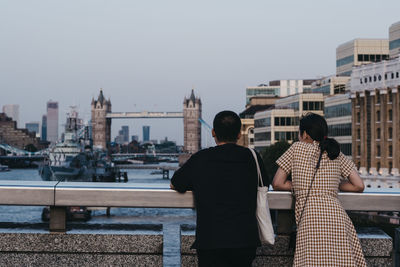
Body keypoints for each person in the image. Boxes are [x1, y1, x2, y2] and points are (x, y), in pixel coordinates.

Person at [170, 110, 268, 267]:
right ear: (238, 134)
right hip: (244, 240)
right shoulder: (253, 157)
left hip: (210, 241)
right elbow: (264, 185)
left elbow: (175, 183)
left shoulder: (200, 158)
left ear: (213, 132)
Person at [272, 113, 366, 266]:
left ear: (304, 134)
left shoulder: (296, 148)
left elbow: (277, 183)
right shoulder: (335, 152)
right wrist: (334, 185)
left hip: (310, 221)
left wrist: (299, 185)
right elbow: (358, 185)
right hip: (337, 219)